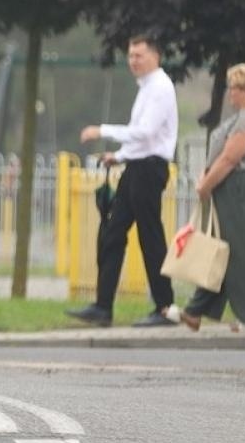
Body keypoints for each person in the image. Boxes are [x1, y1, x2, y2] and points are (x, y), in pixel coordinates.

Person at [67, 36, 179, 328]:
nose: (133, 61)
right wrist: (119, 156)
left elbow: (145, 132)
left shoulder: (160, 88)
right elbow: (142, 138)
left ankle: (165, 307)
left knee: (150, 236)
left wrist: (100, 130)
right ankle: (103, 306)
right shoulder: (146, 88)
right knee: (113, 233)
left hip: (150, 170)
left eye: (139, 55)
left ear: (156, 55)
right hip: (136, 167)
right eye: (130, 55)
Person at [178, 63, 245, 332]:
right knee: (225, 251)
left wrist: (206, 185)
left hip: (239, 188)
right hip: (237, 188)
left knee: (241, 252)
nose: (230, 93)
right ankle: (195, 311)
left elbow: (231, 157)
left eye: (234, 88)